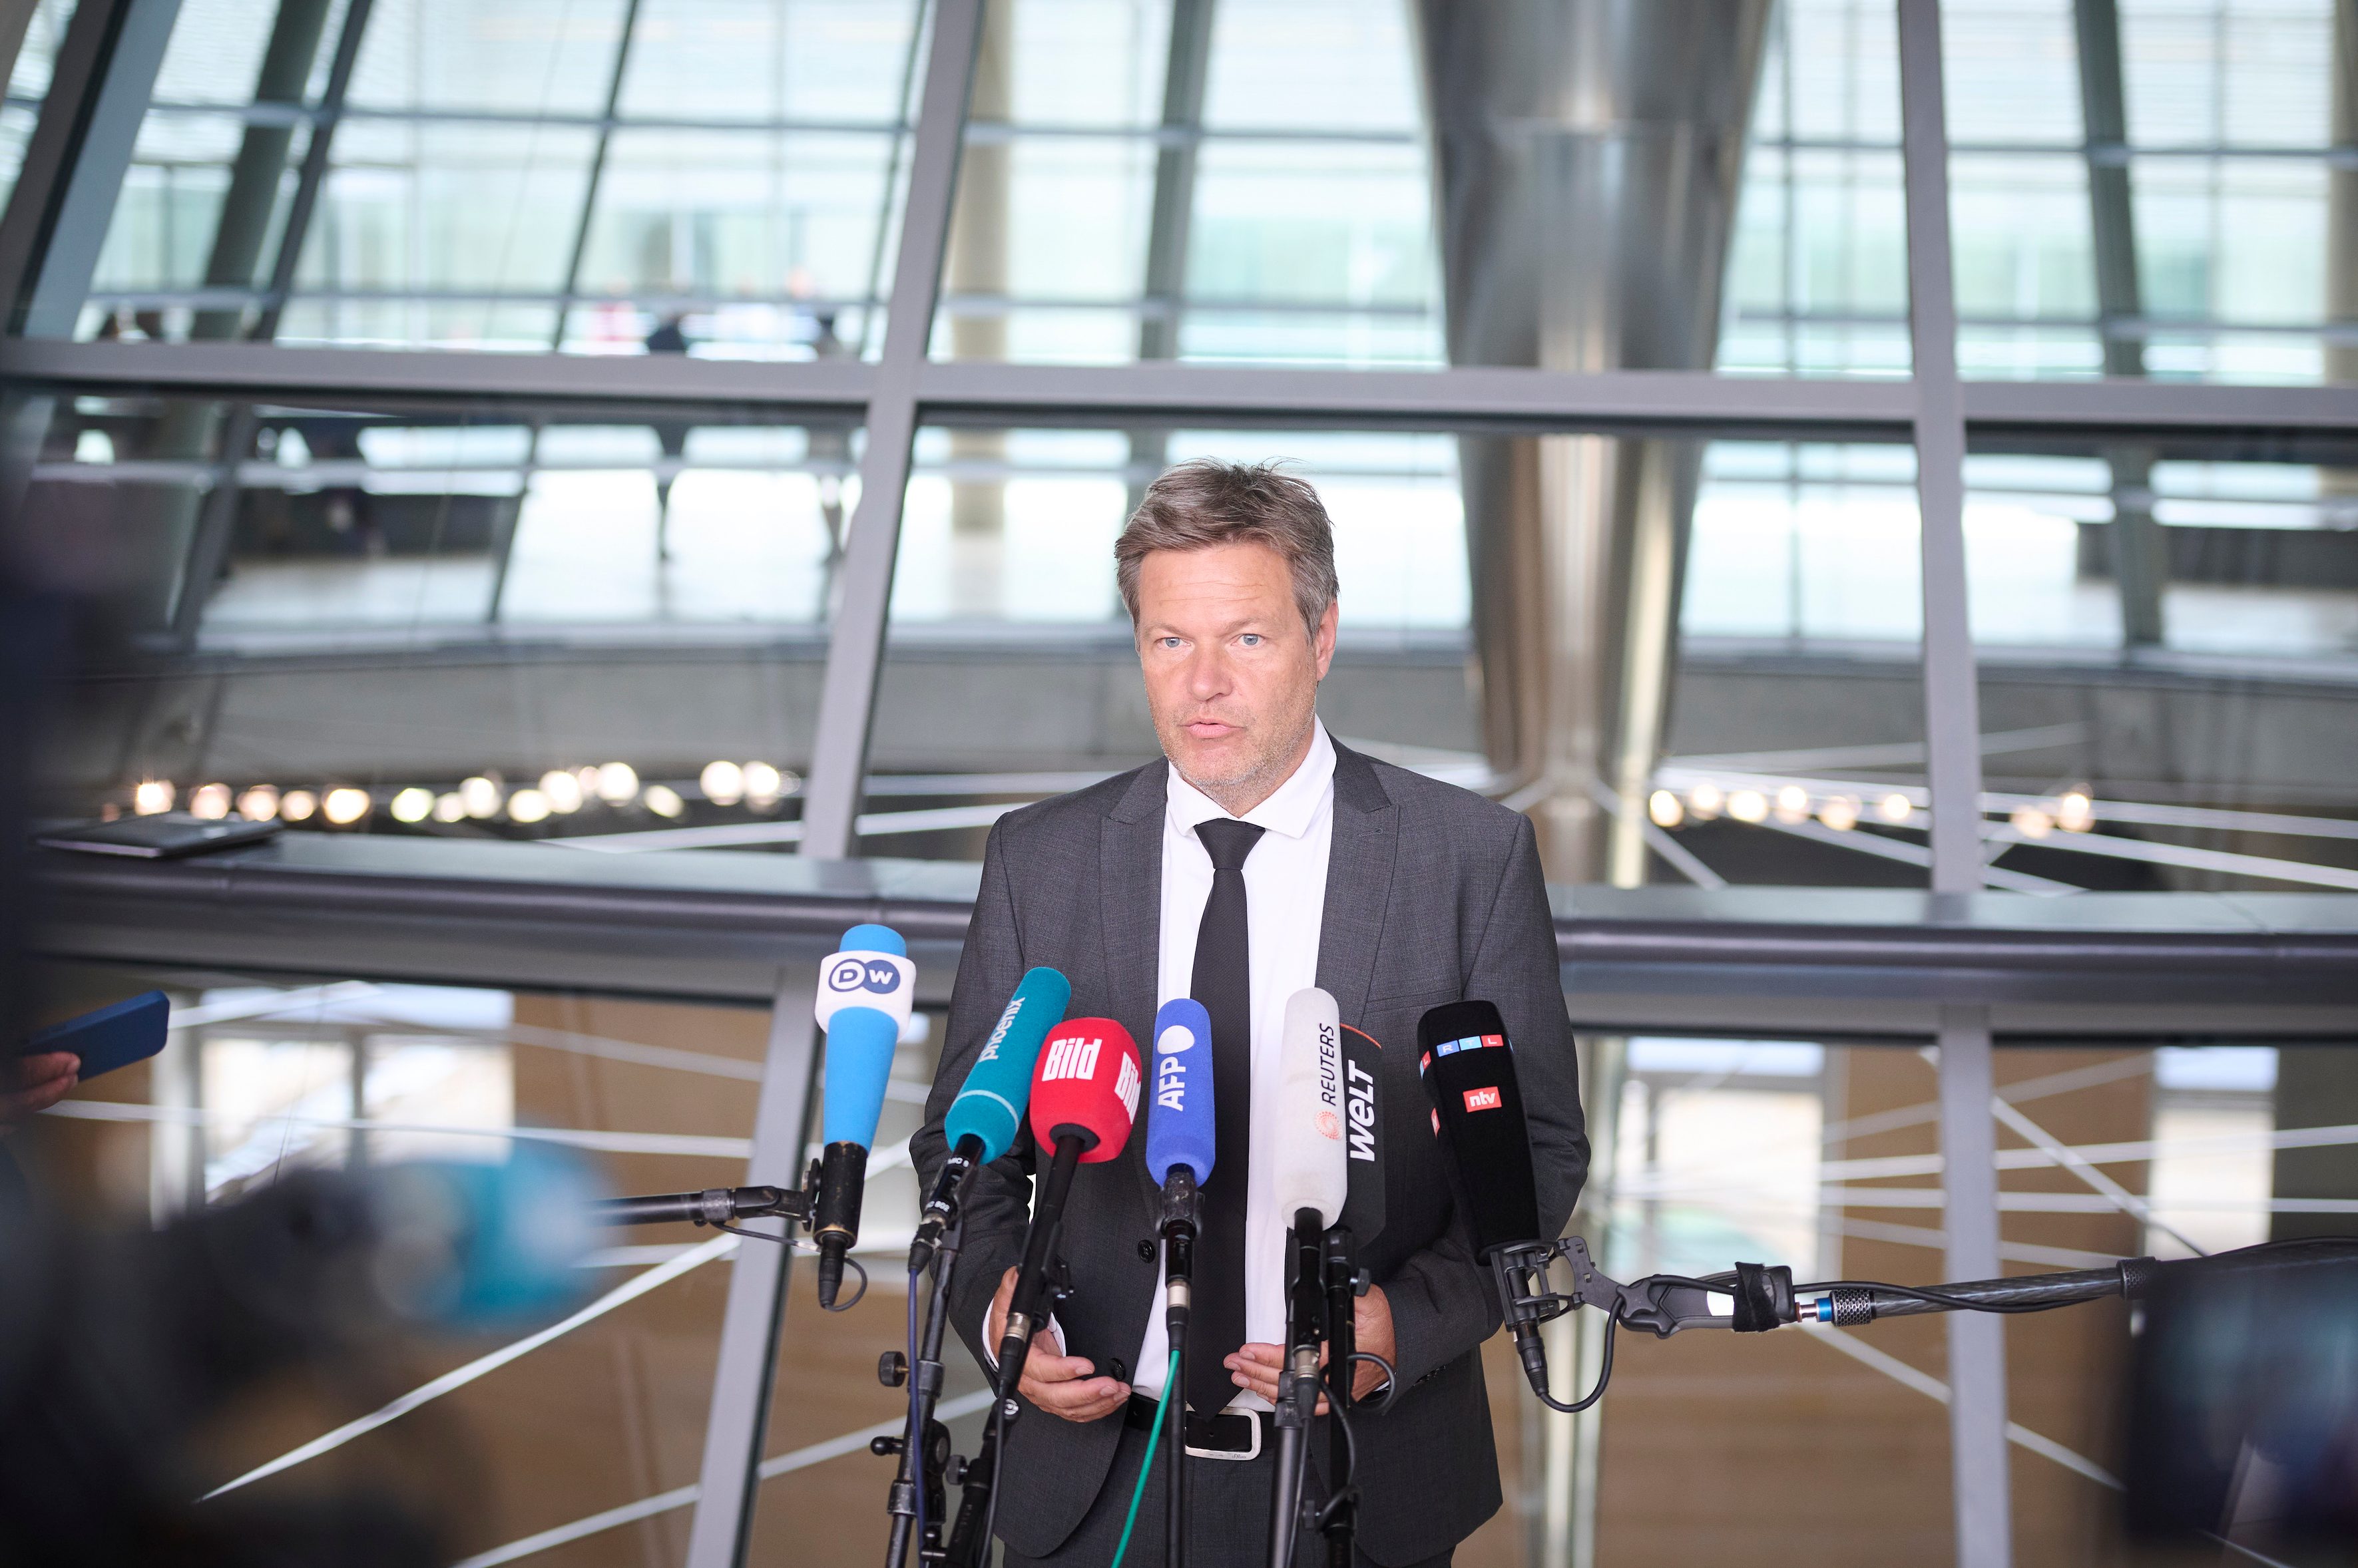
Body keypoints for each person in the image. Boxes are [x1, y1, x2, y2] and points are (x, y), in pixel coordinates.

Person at [912, 460, 1588, 1567]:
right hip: (1090, 1478)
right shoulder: (1040, 859)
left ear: (1321, 640)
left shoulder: (1464, 858)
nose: (1203, 684)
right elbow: (964, 1143)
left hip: (1360, 1470)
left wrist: (1399, 1328)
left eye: (1247, 639)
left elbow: (1533, 1156)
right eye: (1169, 641)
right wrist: (996, 1315)